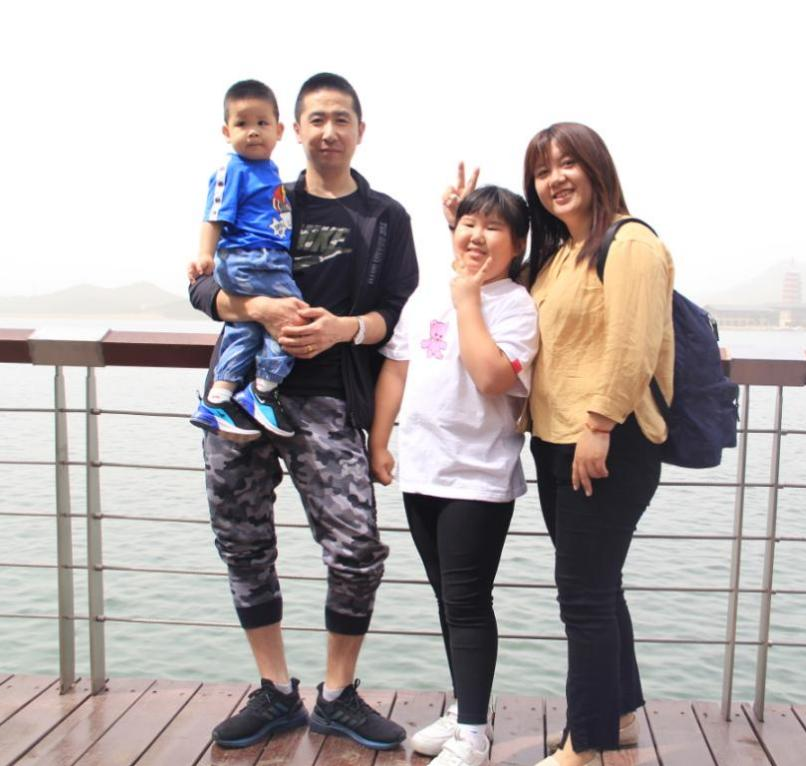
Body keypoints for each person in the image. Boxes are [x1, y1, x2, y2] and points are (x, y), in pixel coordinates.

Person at [187, 72, 418, 750]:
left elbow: (396, 316)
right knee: (242, 541)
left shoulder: (384, 219)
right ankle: (275, 690)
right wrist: (256, 308)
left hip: (329, 399)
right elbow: (202, 290)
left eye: (341, 118)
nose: (328, 131)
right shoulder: (264, 192)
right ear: (295, 129)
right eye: (316, 119)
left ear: (360, 130)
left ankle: (338, 695)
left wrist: (343, 329)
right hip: (241, 402)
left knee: (357, 550)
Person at [370, 186, 539, 766]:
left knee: (467, 601)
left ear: (517, 245)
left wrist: (468, 299)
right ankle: (466, 709)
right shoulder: (426, 294)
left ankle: (473, 734)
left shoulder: (515, 305)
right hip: (422, 470)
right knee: (447, 600)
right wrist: (379, 440)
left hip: (478, 476)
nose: (477, 236)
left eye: (494, 228)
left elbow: (493, 378)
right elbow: (397, 368)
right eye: (469, 223)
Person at [523, 123, 674, 766]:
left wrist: (601, 424)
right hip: (558, 441)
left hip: (608, 441)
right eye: (542, 170)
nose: (555, 179)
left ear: (595, 167)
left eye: (568, 164)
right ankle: (617, 717)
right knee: (599, 588)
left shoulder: (630, 243)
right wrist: (459, 225)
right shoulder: (561, 252)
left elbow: (632, 344)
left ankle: (583, 745)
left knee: (582, 597)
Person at [187, 79, 300, 439]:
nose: (253, 132)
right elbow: (214, 215)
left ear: (279, 130)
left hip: (265, 258)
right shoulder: (232, 168)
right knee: (293, 315)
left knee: (246, 327)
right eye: (242, 124)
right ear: (227, 131)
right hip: (252, 258)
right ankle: (263, 389)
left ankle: (219, 397)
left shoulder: (269, 170)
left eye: (262, 123)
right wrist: (205, 254)